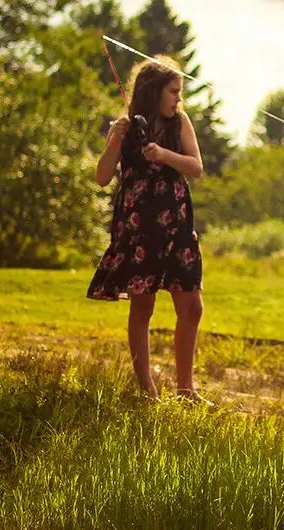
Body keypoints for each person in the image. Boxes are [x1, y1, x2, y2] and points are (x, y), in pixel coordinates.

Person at [86, 55, 207, 404]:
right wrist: (113, 140)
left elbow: (195, 167)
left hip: (177, 227)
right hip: (140, 230)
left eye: (180, 93)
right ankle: (147, 391)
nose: (178, 100)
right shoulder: (126, 127)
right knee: (143, 308)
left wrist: (163, 155)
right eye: (174, 92)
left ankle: (186, 391)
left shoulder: (179, 122)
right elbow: (101, 177)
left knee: (192, 306)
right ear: (154, 91)